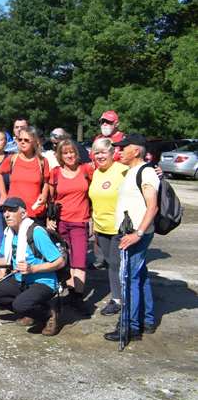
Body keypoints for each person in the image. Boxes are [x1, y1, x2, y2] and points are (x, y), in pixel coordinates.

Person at [0, 197, 65, 336]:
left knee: (20, 305)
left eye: (12, 210)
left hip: (44, 282)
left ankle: (49, 313)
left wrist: (33, 269)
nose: (7, 214)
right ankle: (30, 311)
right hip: (22, 280)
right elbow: (7, 261)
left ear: (23, 214)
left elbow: (60, 261)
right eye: (4, 211)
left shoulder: (36, 232)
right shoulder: (9, 233)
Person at [103, 133, 158, 342]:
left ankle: (130, 327)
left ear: (136, 150)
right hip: (131, 232)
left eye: (124, 147)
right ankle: (147, 320)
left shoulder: (146, 173)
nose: (119, 150)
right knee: (139, 275)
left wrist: (138, 234)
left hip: (135, 234)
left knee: (128, 279)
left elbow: (152, 207)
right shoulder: (133, 171)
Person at [47, 138, 93, 314]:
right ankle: (71, 293)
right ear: (60, 155)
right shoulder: (55, 173)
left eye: (72, 152)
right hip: (61, 222)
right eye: (65, 153)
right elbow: (51, 198)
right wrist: (50, 219)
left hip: (80, 221)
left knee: (79, 261)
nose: (69, 155)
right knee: (66, 260)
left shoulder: (86, 169)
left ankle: (78, 297)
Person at [88, 137, 129, 316]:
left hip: (119, 227)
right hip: (101, 227)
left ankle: (118, 300)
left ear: (112, 153)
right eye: (97, 152)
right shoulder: (97, 173)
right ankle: (119, 295)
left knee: (116, 264)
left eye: (103, 152)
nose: (100, 156)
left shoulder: (123, 170)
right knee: (111, 263)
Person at [0, 126, 49, 225]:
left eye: (26, 140)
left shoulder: (42, 161)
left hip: (35, 211)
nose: (22, 142)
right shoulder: (12, 159)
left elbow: (47, 181)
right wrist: (3, 194)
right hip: (13, 211)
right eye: (20, 139)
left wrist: (44, 194)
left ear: (34, 141)